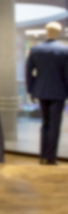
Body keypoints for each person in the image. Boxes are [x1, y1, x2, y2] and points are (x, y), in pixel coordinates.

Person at [26, 21, 68, 165]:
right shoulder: (64, 50)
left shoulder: (36, 50)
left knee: (45, 124)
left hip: (41, 90)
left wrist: (31, 90)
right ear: (57, 33)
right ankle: (50, 157)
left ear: (46, 31)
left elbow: (28, 72)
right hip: (58, 91)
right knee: (54, 125)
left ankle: (43, 156)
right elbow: (67, 74)